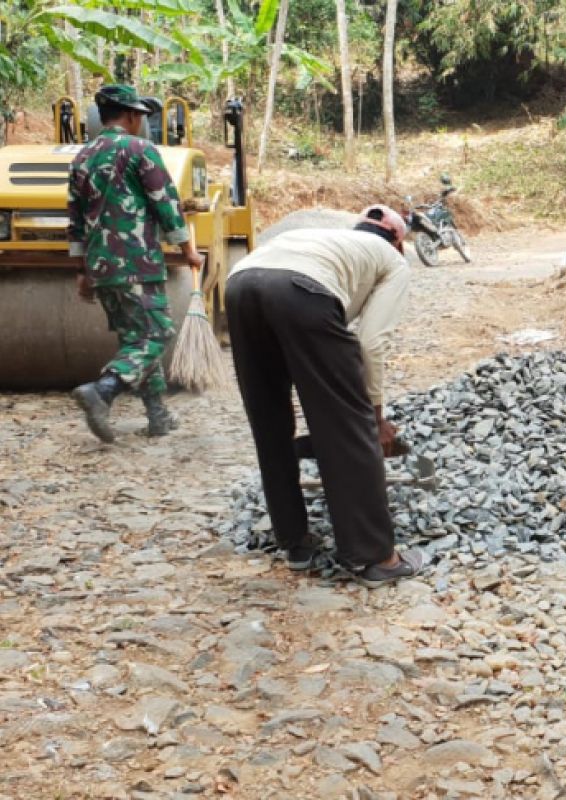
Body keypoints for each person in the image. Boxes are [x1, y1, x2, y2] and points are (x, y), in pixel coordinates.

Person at [224, 206, 425, 588]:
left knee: (269, 419)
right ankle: (376, 558)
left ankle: (295, 542)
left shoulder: (329, 242)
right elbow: (371, 343)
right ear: (398, 242)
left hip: (240, 285)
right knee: (347, 427)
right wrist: (375, 418)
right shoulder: (392, 261)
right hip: (302, 290)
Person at [68, 84, 204, 442]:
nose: (142, 122)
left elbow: (75, 220)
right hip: (135, 261)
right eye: (141, 115)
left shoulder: (82, 156)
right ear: (130, 115)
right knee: (156, 334)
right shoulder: (139, 148)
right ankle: (104, 389)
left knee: (136, 338)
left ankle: (158, 415)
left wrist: (82, 271)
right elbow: (166, 202)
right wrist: (188, 250)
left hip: (101, 265)